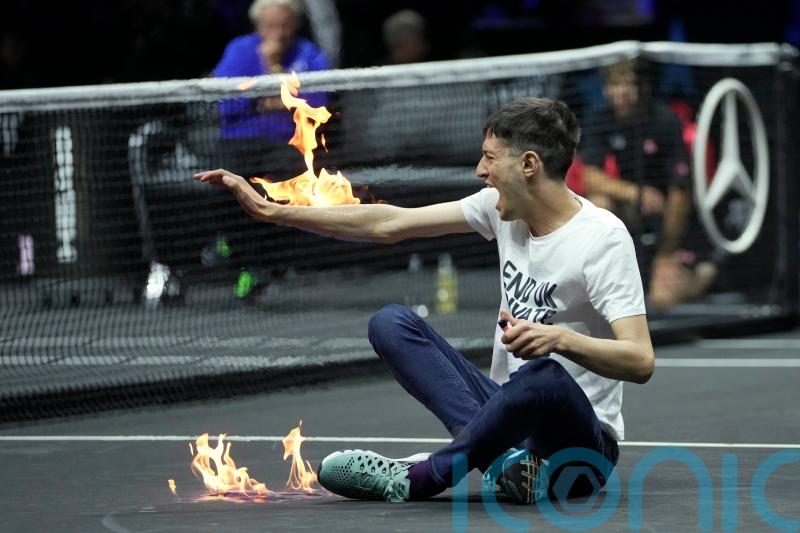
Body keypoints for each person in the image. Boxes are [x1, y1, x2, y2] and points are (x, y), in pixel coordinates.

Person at [194, 97, 655, 504]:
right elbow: (388, 224)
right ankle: (506, 463)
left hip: (579, 449)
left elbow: (639, 360)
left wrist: (559, 339)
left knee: (544, 377)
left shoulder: (602, 240)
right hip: (507, 419)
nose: (480, 171)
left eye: (490, 159)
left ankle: (420, 476)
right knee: (391, 323)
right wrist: (272, 211)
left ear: (529, 164)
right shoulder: (499, 211)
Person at [578, 59, 716, 310]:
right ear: (606, 88)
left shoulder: (664, 120)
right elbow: (589, 177)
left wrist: (666, 252)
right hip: (634, 209)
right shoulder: (600, 118)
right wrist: (636, 193)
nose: (622, 92)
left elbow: (680, 191)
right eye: (615, 85)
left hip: (670, 217)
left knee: (663, 299)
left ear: (643, 87)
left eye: (629, 85)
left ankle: (703, 273)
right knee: (599, 202)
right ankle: (606, 276)